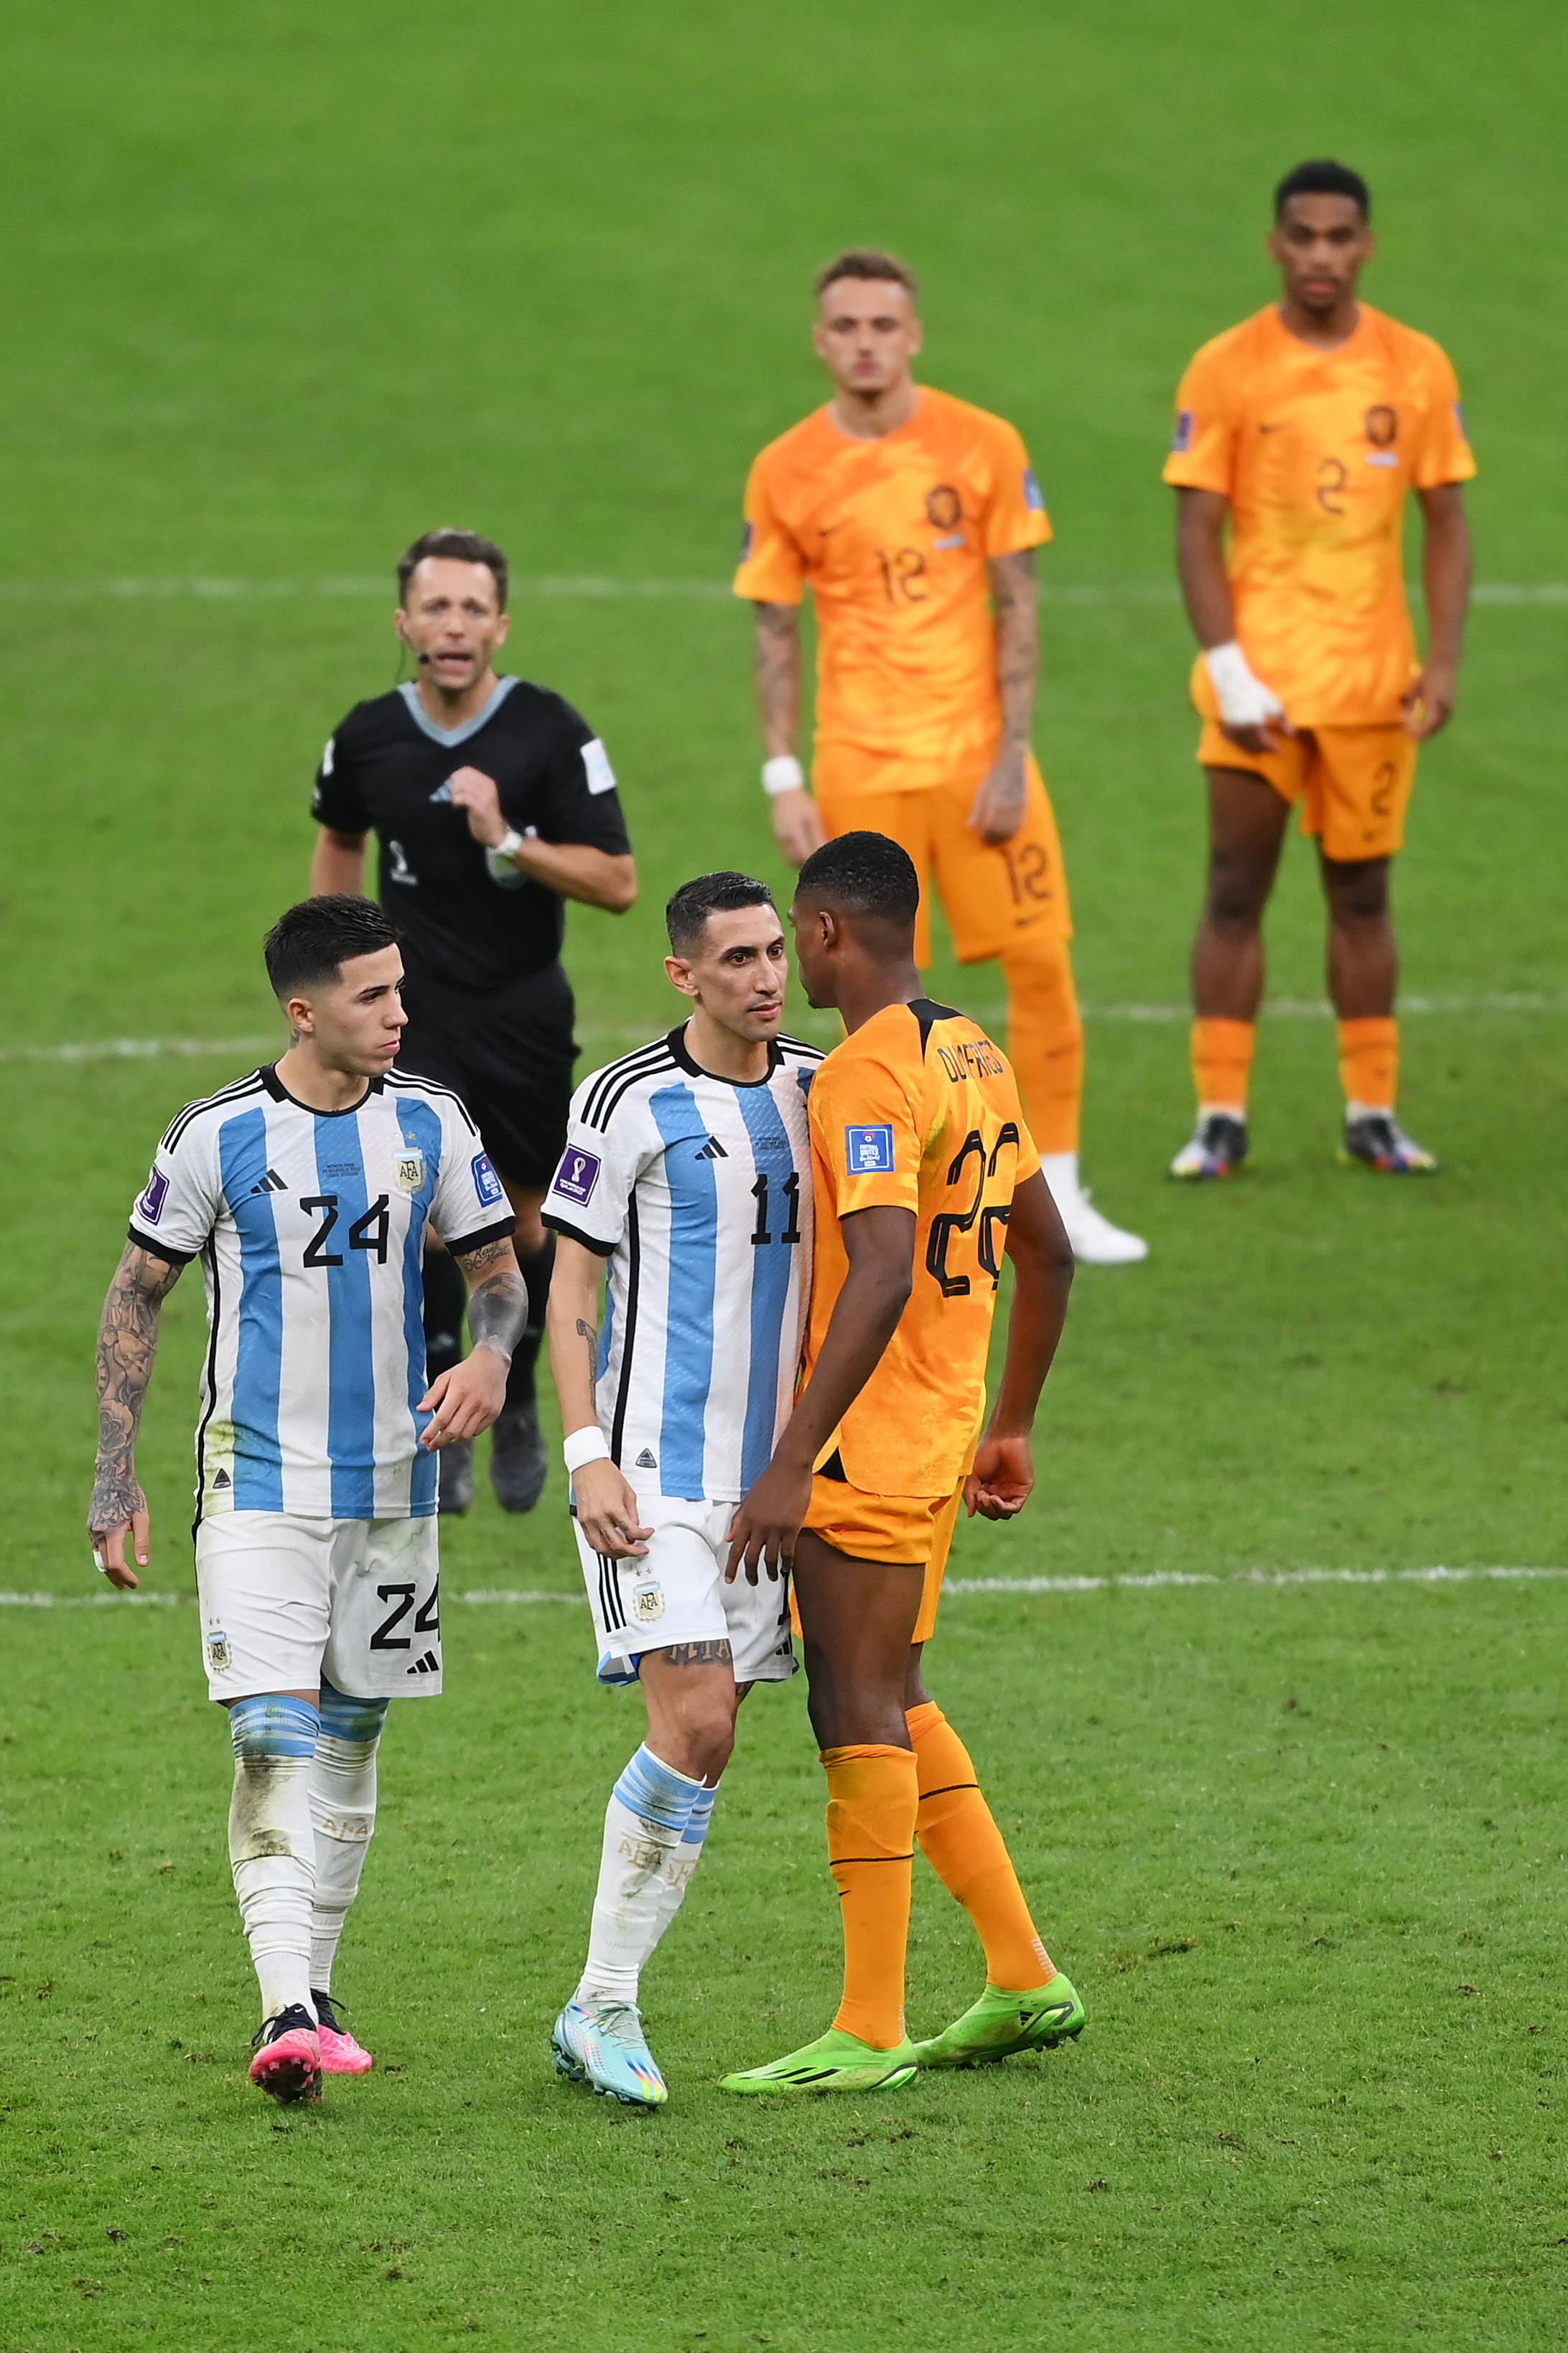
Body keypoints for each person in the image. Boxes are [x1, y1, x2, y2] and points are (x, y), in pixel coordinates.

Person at [87, 897, 526, 2104]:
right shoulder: (218, 1134)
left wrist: (490, 1356)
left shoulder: (430, 1120)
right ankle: (283, 2003)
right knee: (273, 1733)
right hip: (258, 1483)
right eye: (373, 995)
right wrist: (115, 1468)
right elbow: (137, 1294)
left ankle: (312, 1994)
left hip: (395, 1484)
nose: (400, 1013)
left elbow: (496, 1272)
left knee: (355, 1733)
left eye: (399, 990)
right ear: (305, 1009)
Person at [719, 833, 1083, 2096]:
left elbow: (876, 1270)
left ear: (824, 934)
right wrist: (1013, 1420)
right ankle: (1024, 1973)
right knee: (902, 1697)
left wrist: (790, 1460)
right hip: (942, 1424)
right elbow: (1051, 1247)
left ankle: (870, 2027)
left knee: (854, 1710)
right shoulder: (968, 1045)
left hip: (873, 1442)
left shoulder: (864, 1077)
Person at [734, 248, 1145, 1267]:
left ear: (913, 333)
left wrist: (1013, 752)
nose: (866, 342)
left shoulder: (983, 444)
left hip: (977, 766)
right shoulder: (786, 468)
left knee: (1042, 965)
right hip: (861, 765)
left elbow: (1020, 603)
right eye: (846, 326)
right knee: (861, 986)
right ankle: (874, 1189)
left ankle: (1064, 1190)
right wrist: (783, 770)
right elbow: (777, 632)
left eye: (884, 324)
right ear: (820, 339)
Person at [541, 872, 821, 2105]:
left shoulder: (823, 1087)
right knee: (696, 1720)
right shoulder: (625, 1099)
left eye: (774, 952)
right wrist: (583, 1450)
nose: (766, 977)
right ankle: (604, 2002)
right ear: (682, 975)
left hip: (773, 1486)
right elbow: (571, 1290)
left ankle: (597, 2006)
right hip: (650, 1474)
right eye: (738, 960)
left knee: (707, 1750)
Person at [309, 526, 637, 1514]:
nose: (453, 626)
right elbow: (339, 841)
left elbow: (617, 881)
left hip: (525, 1012)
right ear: (404, 621)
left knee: (526, 1222)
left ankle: (522, 1388)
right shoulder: (368, 735)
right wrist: (334, 972)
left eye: (471, 608)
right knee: (424, 1223)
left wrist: (512, 839)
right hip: (413, 1016)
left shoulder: (549, 732)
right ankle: (449, 1400)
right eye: (435, 607)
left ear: (501, 624)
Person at [1164, 159, 1475, 1179]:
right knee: (1232, 890)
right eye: (1304, 236)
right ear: (1276, 245)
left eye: (1342, 237)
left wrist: (1443, 660)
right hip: (1259, 694)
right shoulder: (1227, 367)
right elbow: (1196, 529)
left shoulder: (1418, 367)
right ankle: (1219, 1117)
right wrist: (1232, 668)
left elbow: (1448, 522)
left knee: (1365, 898)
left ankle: (1373, 1112)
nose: (1322, 256)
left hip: (1374, 691)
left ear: (1367, 245)